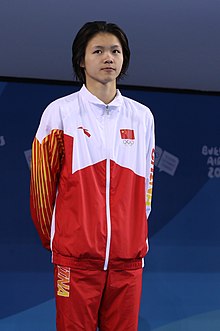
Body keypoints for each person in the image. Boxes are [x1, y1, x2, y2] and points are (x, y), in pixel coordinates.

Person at [30, 21, 155, 331]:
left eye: (115, 51)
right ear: (81, 60)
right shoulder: (60, 113)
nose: (108, 57)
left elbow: (147, 190)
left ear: (124, 58)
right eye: (98, 51)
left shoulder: (142, 117)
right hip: (75, 261)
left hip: (128, 262)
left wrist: (132, 238)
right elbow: (42, 189)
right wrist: (63, 243)